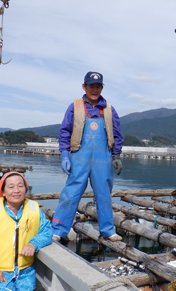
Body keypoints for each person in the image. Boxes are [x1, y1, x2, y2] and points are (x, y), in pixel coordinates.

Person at [52, 71, 124, 242]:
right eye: (91, 86)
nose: (95, 89)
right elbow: (64, 132)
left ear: (101, 88)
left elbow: (117, 134)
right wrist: (64, 155)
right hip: (79, 157)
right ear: (84, 87)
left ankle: (107, 230)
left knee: (104, 194)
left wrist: (116, 156)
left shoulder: (108, 109)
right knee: (71, 193)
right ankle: (58, 229)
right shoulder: (75, 106)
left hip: (103, 159)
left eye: (98, 86)